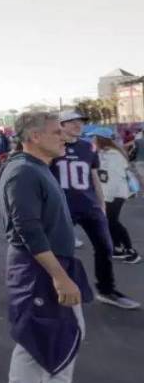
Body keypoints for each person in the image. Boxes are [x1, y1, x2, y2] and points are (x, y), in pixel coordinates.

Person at [0, 111, 111, 383]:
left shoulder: (38, 169)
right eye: (55, 132)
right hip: (38, 268)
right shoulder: (22, 172)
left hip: (55, 263)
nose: (64, 138)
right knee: (35, 338)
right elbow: (27, 230)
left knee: (70, 331)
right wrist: (60, 277)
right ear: (33, 137)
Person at [51, 110, 138, 309]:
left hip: (89, 205)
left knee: (104, 247)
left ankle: (106, 290)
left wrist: (101, 204)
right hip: (63, 207)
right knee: (60, 251)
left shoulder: (88, 147)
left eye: (80, 122)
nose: (77, 125)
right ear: (61, 125)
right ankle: (55, 289)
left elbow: (94, 176)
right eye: (71, 122)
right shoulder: (54, 147)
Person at [92, 132, 139, 264]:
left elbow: (115, 179)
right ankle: (117, 248)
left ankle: (131, 251)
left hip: (116, 194)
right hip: (108, 194)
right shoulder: (103, 153)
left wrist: (107, 197)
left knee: (113, 222)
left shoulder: (113, 155)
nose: (92, 140)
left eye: (93, 138)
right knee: (109, 221)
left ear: (100, 139)